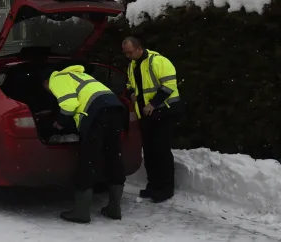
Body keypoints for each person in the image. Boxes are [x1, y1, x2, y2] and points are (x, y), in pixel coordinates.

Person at [44, 65, 126, 223]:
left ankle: (81, 212)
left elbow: (69, 105)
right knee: (113, 156)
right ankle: (114, 208)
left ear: (46, 82)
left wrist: (59, 124)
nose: (49, 91)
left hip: (97, 114)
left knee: (89, 160)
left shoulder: (56, 79)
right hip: (115, 109)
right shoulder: (79, 76)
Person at [122, 36, 181, 203]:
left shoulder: (158, 61)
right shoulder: (132, 65)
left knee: (161, 151)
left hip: (164, 111)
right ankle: (153, 186)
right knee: (149, 151)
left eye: (130, 52)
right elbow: (129, 85)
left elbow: (169, 86)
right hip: (146, 115)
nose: (128, 56)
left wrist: (153, 104)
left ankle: (166, 189)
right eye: (125, 53)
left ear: (139, 48)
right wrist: (131, 94)